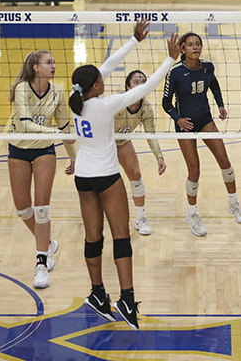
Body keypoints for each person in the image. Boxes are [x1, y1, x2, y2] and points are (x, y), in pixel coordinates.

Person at [68, 21, 179, 330]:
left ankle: (97, 294)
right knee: (121, 237)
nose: (105, 78)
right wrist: (169, 59)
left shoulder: (76, 101)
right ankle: (126, 300)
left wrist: (133, 41)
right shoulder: (105, 106)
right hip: (105, 176)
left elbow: (104, 67)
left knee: (93, 237)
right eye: (99, 80)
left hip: (82, 177)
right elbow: (144, 89)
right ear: (95, 87)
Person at [162, 32, 241, 237]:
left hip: (206, 120)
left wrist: (221, 105)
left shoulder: (208, 67)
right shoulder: (174, 73)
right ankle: (192, 213)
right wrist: (178, 119)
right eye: (190, 45)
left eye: (198, 44)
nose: (195, 47)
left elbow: (214, 84)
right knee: (194, 170)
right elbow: (165, 103)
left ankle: (233, 203)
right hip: (186, 124)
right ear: (182, 49)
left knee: (224, 160)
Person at [8, 50, 76, 289]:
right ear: (36, 68)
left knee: (42, 208)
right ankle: (47, 242)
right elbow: (25, 124)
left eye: (54, 62)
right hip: (18, 148)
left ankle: (41, 264)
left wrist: (73, 158)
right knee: (23, 209)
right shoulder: (22, 89)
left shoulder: (57, 91)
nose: (54, 65)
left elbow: (65, 126)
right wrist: (56, 134)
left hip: (44, 151)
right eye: (49, 62)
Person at [114, 70, 167, 236]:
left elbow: (150, 134)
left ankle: (140, 218)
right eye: (136, 81)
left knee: (135, 174)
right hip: (103, 144)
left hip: (122, 141)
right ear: (128, 86)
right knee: (107, 182)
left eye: (144, 81)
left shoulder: (146, 107)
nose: (141, 84)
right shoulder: (117, 103)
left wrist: (159, 156)